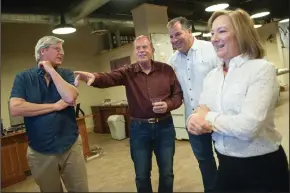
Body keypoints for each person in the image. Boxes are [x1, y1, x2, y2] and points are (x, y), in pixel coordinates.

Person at [187, 9, 289, 192]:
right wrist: (193, 120)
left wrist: (207, 119)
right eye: (212, 32)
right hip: (226, 165)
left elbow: (248, 126)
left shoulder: (261, 69)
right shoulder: (212, 76)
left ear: (241, 33)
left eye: (222, 31)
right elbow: (200, 110)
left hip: (262, 169)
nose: (214, 38)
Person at [74, 35, 183, 193]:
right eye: (138, 48)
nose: (141, 51)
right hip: (140, 130)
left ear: (152, 50)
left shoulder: (166, 70)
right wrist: (94, 77)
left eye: (144, 47)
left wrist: (168, 105)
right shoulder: (128, 71)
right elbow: (110, 78)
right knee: (141, 175)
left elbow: (178, 95)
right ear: (134, 52)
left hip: (164, 127)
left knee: (167, 173)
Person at [9, 36, 89, 192]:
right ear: (43, 51)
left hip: (70, 146)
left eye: (62, 50)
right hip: (40, 151)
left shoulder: (65, 74)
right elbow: (16, 108)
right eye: (57, 49)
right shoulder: (23, 78)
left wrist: (51, 70)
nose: (62, 53)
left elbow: (70, 97)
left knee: (80, 189)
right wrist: (54, 106)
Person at [167, 17, 221, 192]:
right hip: (193, 121)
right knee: (205, 162)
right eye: (171, 37)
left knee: (227, 158)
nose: (174, 40)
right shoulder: (172, 60)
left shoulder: (211, 49)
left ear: (189, 31)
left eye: (178, 34)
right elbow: (174, 90)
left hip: (218, 117)